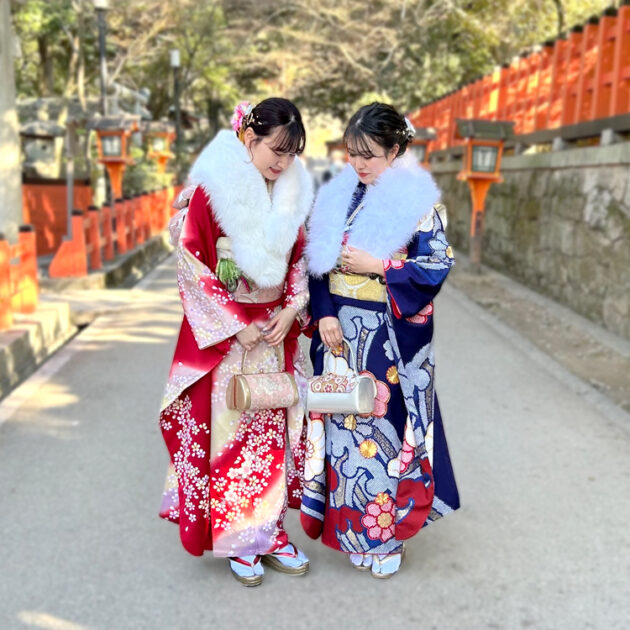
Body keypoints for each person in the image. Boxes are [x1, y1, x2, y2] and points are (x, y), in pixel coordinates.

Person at [301, 102, 460, 579]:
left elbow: (435, 266)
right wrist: (325, 313)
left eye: (370, 153)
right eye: (353, 153)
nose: (360, 163)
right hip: (339, 336)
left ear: (395, 150)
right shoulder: (336, 198)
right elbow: (316, 264)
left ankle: (385, 536)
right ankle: (353, 532)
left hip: (388, 339)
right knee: (343, 434)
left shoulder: (420, 205)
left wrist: (380, 267)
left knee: (384, 436)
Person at [158, 98, 313, 587]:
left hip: (272, 335)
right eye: (275, 149)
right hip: (229, 339)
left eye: (291, 153)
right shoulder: (212, 190)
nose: (282, 162)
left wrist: (291, 309)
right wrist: (232, 323)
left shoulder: (291, 195)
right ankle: (240, 539)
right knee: (231, 438)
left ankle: (271, 533)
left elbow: (300, 263)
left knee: (271, 437)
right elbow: (192, 264)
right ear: (249, 138)